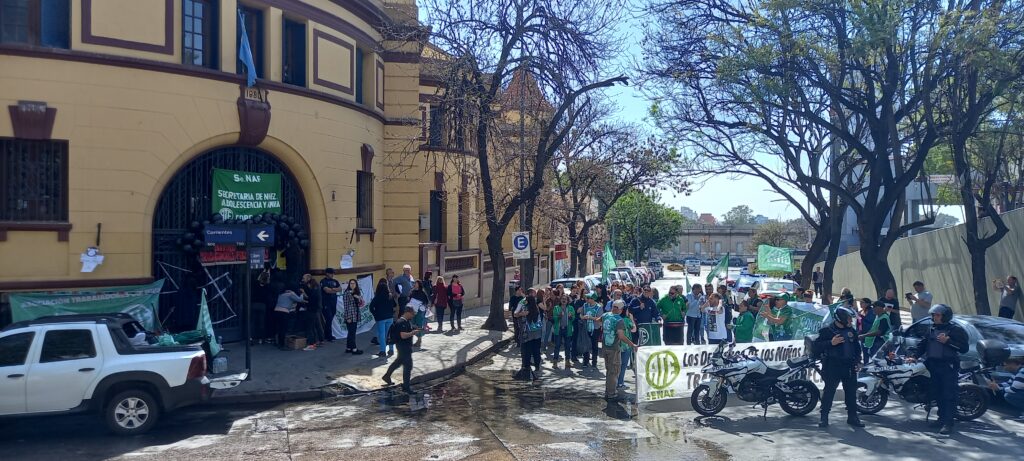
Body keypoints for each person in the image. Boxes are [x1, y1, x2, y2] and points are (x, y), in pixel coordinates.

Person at [906, 304, 968, 435]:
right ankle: (941, 419)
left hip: (948, 366)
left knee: (948, 394)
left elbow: (964, 348)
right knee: (937, 393)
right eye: (934, 315)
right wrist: (914, 356)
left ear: (945, 316)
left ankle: (948, 423)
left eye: (938, 315)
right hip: (932, 364)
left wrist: (948, 341)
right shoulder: (932, 328)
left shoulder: (955, 330)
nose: (935, 317)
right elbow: (923, 344)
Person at [814, 307, 864, 428]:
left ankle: (853, 417)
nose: (850, 321)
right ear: (841, 318)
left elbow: (857, 349)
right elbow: (816, 347)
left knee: (851, 393)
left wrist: (858, 362)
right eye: (848, 318)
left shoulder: (851, 331)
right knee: (829, 392)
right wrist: (831, 343)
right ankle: (824, 417)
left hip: (849, 366)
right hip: (832, 366)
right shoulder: (827, 331)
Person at [601, 300, 638, 400]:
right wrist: (632, 344)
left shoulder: (605, 315)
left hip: (605, 347)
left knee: (609, 370)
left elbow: (598, 320)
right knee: (614, 372)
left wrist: (588, 317)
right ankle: (611, 393)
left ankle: (607, 391)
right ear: (621, 309)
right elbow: (621, 336)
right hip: (614, 349)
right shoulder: (619, 320)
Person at [382, 307, 421, 393]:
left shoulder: (406, 322)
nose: (413, 316)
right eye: (412, 314)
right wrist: (413, 333)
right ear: (407, 312)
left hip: (405, 346)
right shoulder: (401, 322)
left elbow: (408, 329)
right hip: (403, 347)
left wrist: (415, 329)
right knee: (408, 366)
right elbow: (403, 335)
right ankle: (406, 387)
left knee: (398, 362)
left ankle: (387, 376)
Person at [514, 295, 544, 382]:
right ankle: (537, 366)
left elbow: (516, 315)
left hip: (527, 335)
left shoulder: (526, 309)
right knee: (536, 351)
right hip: (537, 334)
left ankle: (526, 368)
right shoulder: (536, 309)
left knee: (526, 351)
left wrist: (521, 314)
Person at [369, 278, 397, 358]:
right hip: (390, 317)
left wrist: (375, 314)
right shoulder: (390, 296)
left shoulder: (377, 297)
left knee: (382, 335)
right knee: (389, 334)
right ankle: (391, 350)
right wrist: (392, 312)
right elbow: (394, 306)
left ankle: (382, 351)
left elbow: (371, 307)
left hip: (380, 318)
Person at [300, 273, 324, 350]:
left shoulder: (312, 286)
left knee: (311, 326)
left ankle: (312, 344)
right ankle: (319, 340)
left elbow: (311, 298)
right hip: (316, 308)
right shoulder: (315, 286)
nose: (302, 280)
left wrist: (304, 294)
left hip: (312, 308)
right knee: (316, 324)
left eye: (304, 278)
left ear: (308, 278)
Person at [552, 294, 576, 369]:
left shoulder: (571, 308)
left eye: (565, 299)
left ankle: (567, 361)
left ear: (567, 301)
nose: (564, 300)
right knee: (557, 345)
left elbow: (573, 318)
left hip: (567, 329)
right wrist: (559, 316)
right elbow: (554, 318)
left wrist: (571, 317)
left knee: (567, 346)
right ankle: (555, 362)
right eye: (562, 298)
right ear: (560, 300)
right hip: (558, 329)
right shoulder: (556, 308)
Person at [341, 279, 364, 355]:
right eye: (351, 283)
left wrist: (358, 298)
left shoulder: (356, 293)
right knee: (352, 333)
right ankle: (354, 349)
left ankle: (349, 348)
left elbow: (361, 303)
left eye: (354, 283)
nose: (352, 285)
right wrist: (348, 317)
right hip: (350, 315)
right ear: (349, 284)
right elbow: (346, 306)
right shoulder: (347, 293)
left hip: (355, 314)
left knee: (351, 332)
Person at [617, 304, 638, 389]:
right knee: (623, 365)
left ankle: (615, 382)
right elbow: (634, 329)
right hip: (626, 344)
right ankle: (620, 383)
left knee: (616, 365)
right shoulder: (626, 320)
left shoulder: (616, 318)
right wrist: (632, 319)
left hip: (616, 344)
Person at [580, 294, 603, 368]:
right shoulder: (585, 305)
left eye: (588, 298)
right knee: (585, 344)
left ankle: (594, 363)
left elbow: (600, 319)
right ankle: (585, 362)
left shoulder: (598, 307)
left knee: (594, 346)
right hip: (586, 328)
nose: (586, 299)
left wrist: (591, 317)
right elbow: (581, 314)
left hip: (595, 329)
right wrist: (583, 317)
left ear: (593, 299)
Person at [320, 268, 342, 342]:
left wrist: (332, 289)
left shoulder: (335, 281)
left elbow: (340, 289)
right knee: (328, 318)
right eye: (331, 273)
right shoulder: (323, 281)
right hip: (326, 302)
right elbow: (327, 290)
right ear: (327, 273)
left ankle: (326, 334)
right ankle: (329, 335)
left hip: (333, 302)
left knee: (331, 318)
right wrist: (334, 290)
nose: (333, 275)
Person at [409, 280, 430, 348]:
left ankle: (419, 340)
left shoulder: (422, 292)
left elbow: (426, 301)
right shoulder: (412, 292)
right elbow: (409, 299)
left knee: (419, 324)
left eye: (416, 283)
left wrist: (421, 304)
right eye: (414, 283)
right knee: (413, 324)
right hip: (413, 310)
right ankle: (414, 340)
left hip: (419, 311)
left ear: (419, 285)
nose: (415, 284)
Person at [856, 298, 874, 363]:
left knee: (871, 351)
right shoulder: (861, 312)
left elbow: (871, 321)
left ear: (867, 304)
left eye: (862, 302)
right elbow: (858, 323)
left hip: (870, 333)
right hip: (862, 334)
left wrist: (862, 317)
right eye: (860, 302)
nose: (860, 304)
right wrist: (858, 332)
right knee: (864, 351)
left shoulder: (872, 311)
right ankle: (865, 363)